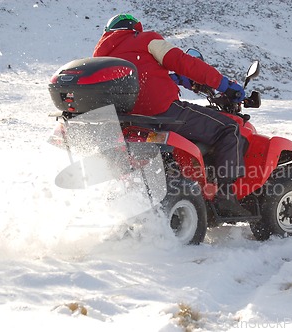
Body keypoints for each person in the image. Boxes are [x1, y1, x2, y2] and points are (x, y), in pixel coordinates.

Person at [93, 14, 250, 217]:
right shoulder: (145, 40)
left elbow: (139, 76)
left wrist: (175, 79)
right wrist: (225, 86)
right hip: (162, 112)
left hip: (127, 120)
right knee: (229, 128)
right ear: (135, 28)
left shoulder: (100, 55)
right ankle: (225, 196)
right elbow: (187, 63)